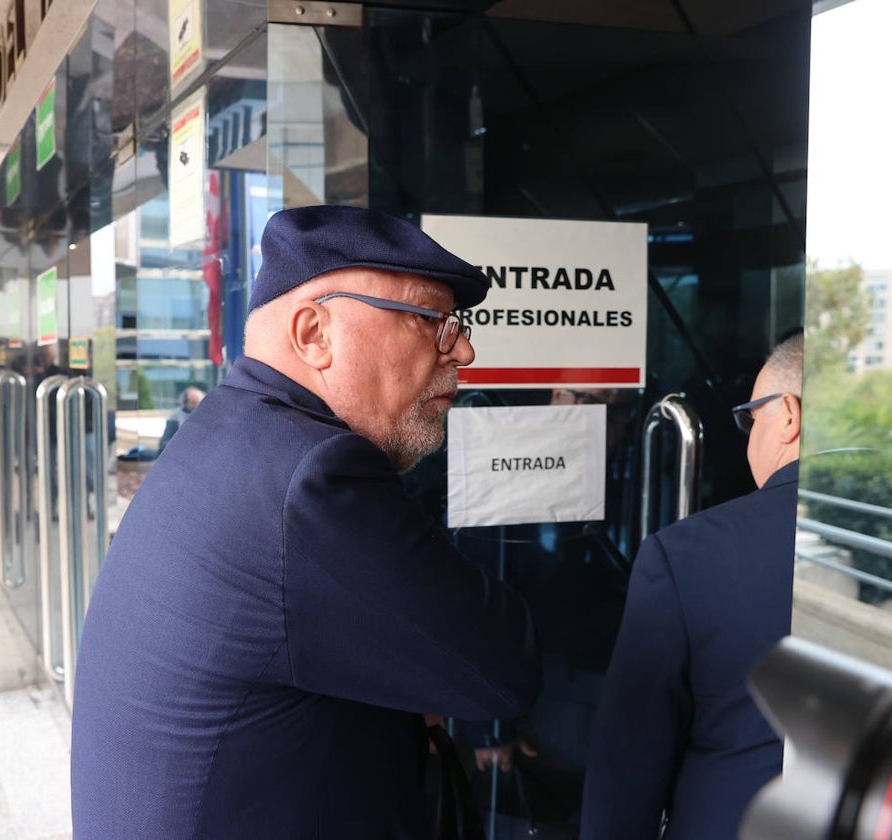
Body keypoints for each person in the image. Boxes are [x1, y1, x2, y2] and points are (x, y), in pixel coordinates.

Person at [71, 205, 542, 839]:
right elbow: (504, 669)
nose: (463, 348)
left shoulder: (227, 428)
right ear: (314, 333)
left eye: (456, 324)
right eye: (430, 320)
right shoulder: (315, 476)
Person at [580, 330, 804, 840]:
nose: (749, 434)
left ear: (788, 415)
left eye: (752, 417)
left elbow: (630, 763)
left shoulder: (686, 555)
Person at [157, 385, 204, 453]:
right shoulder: (175, 416)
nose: (197, 406)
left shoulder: (206, 416)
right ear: (185, 403)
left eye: (199, 403)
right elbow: (164, 443)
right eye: (193, 403)